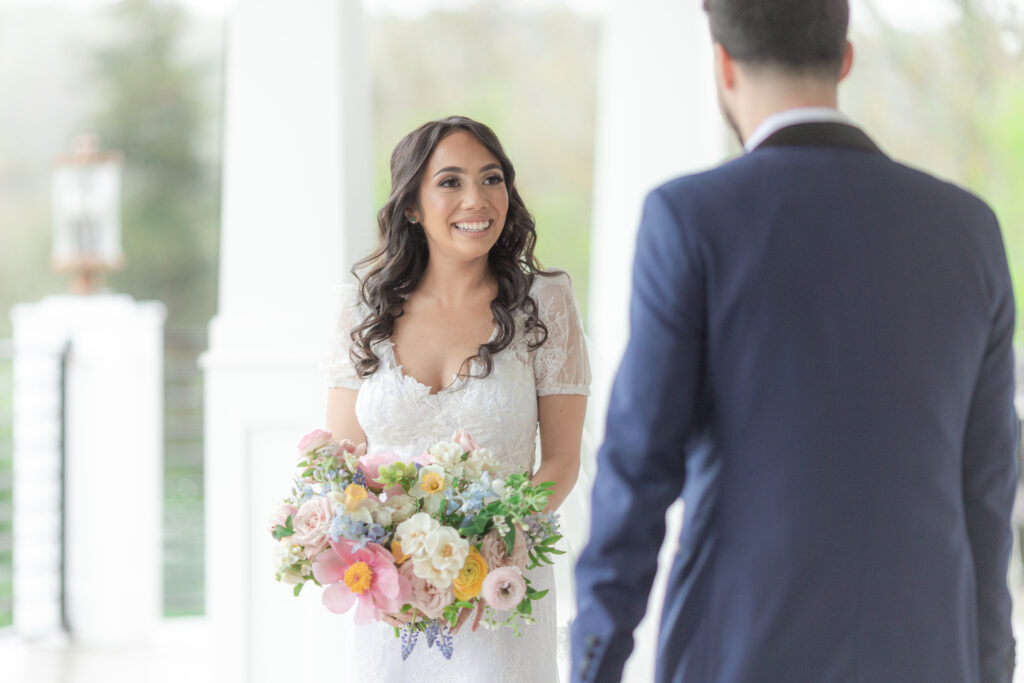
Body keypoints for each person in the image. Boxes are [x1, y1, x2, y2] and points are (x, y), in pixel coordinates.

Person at [571, 1, 1018, 682]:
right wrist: (989, 664)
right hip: (930, 656)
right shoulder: (969, 228)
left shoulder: (690, 219)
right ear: (845, 56)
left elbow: (638, 471)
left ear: (722, 64)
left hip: (744, 652)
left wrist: (594, 663)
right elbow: (987, 489)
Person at [324, 115, 590, 682]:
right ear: (412, 205)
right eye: (450, 182)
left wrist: (497, 537)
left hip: (502, 582)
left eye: (491, 179)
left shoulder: (546, 303)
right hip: (389, 593)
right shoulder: (360, 310)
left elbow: (563, 461)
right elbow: (340, 460)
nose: (477, 199)